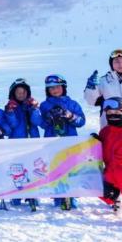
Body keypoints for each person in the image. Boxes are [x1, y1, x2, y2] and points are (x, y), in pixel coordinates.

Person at [40, 74, 86, 210]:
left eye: (57, 87)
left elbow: (81, 121)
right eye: (51, 88)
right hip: (52, 141)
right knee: (55, 169)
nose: (54, 90)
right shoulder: (44, 105)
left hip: (70, 141)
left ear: (63, 87)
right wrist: (48, 118)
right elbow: (42, 124)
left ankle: (72, 196)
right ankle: (58, 196)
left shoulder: (72, 104)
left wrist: (71, 116)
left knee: (71, 168)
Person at [3, 78, 42, 210]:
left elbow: (38, 122)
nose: (21, 95)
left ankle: (33, 194)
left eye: (23, 92)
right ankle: (16, 195)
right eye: (18, 92)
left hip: (32, 141)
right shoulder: (10, 107)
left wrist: (34, 109)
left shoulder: (31, 105)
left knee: (33, 168)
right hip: (17, 143)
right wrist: (10, 112)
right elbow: (12, 125)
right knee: (18, 170)